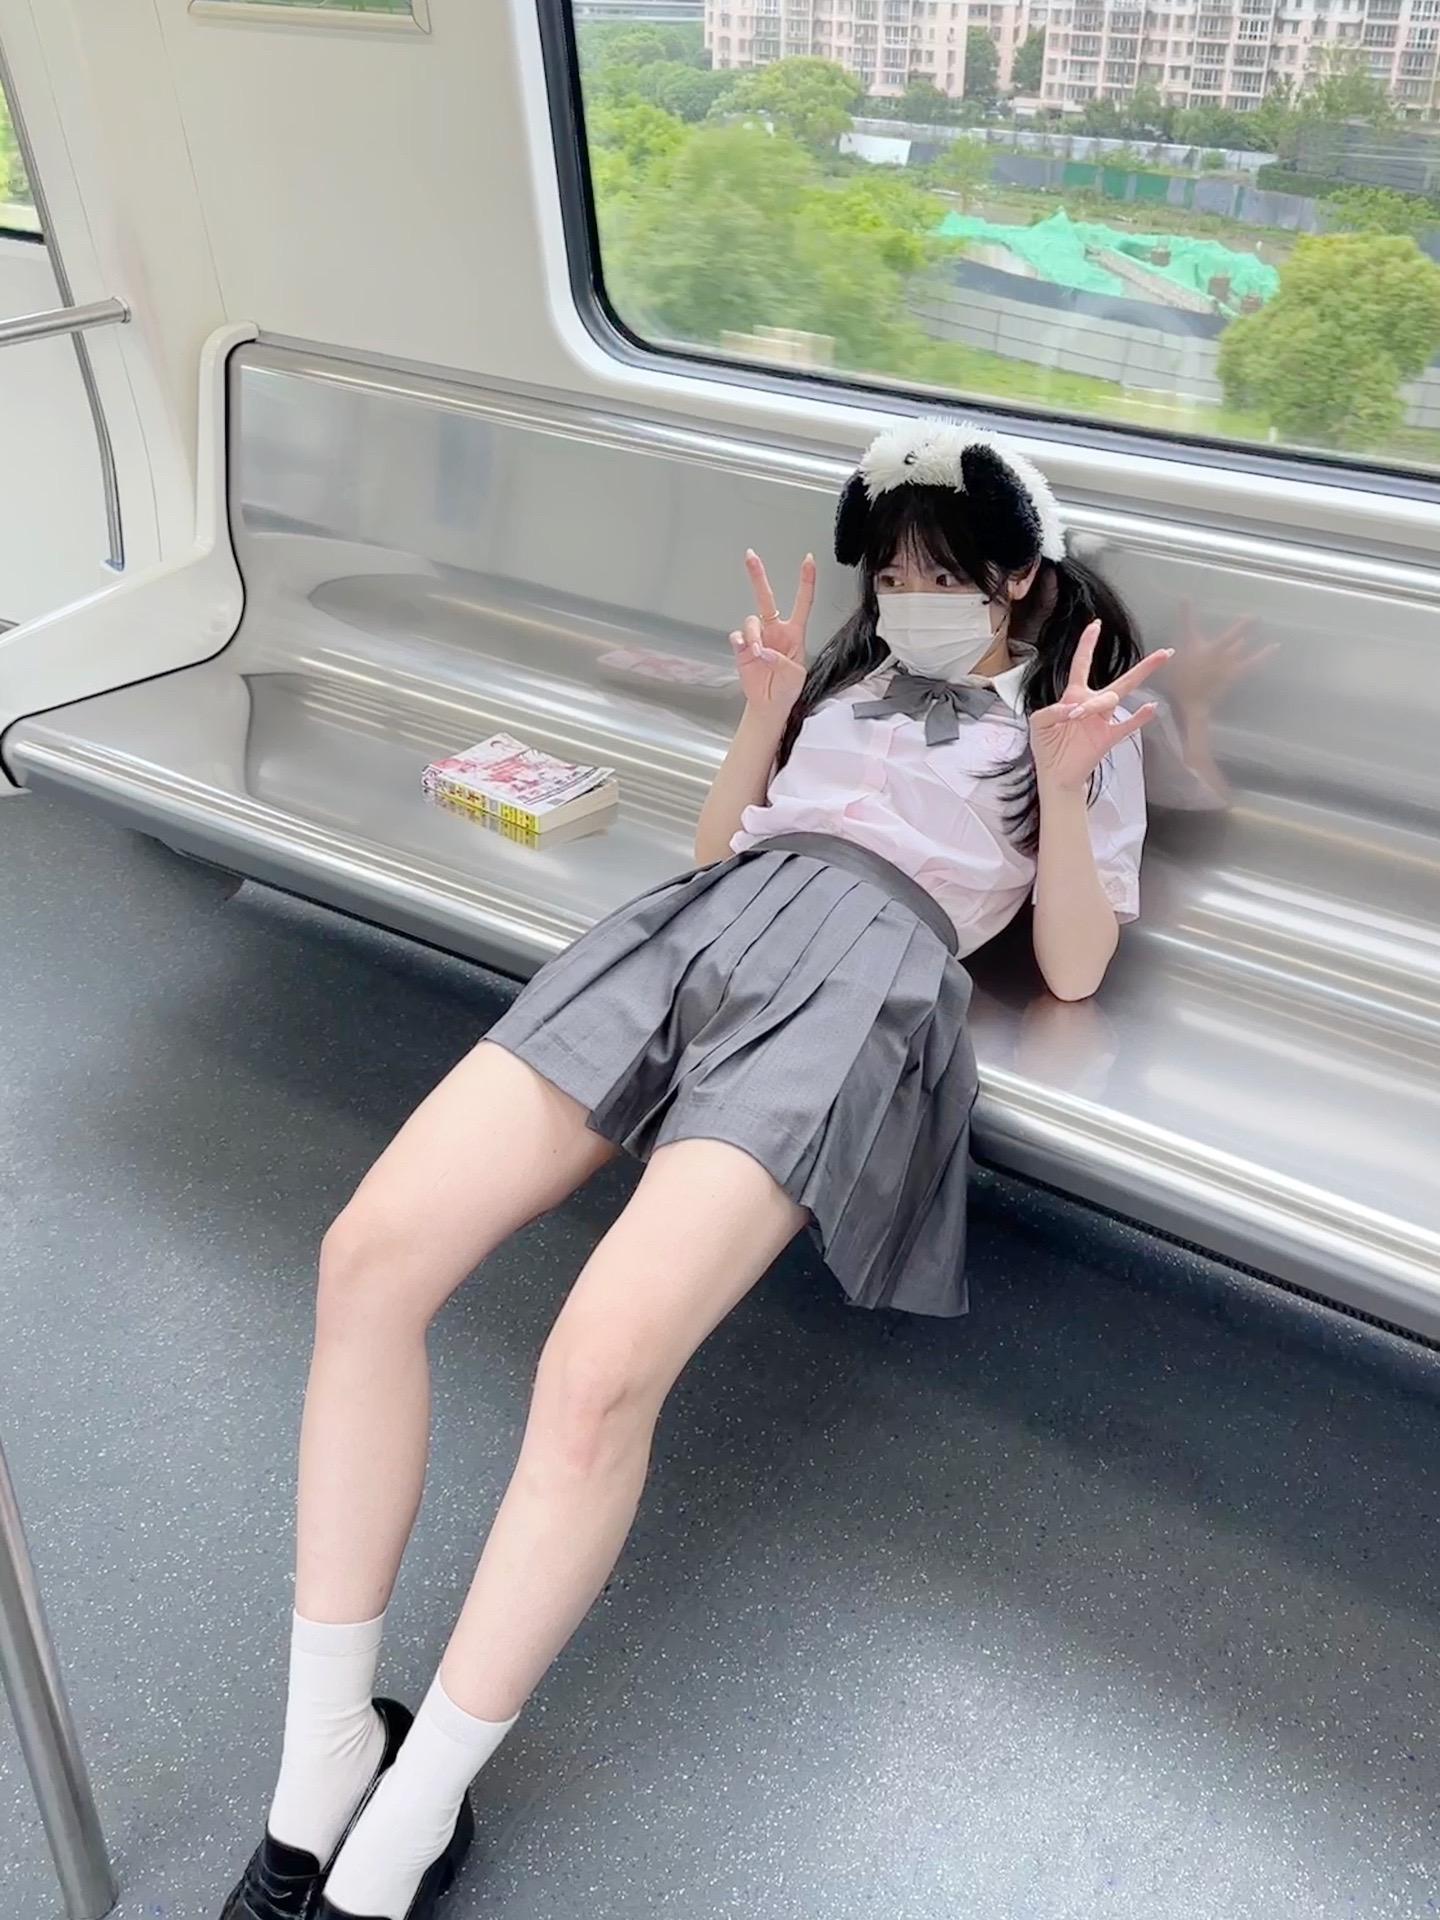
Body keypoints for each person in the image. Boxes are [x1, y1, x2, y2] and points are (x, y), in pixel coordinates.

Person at [220, 418, 1172, 1920]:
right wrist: (767, 713)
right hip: (697, 930)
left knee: (594, 1375)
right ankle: (315, 1773)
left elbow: (1068, 969)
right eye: (896, 573)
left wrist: (1061, 781)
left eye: (946, 575)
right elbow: (727, 845)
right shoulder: (849, 681)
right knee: (368, 1256)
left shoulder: (1075, 729)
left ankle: (399, 1835)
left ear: (1021, 581)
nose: (913, 597)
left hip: (866, 975)